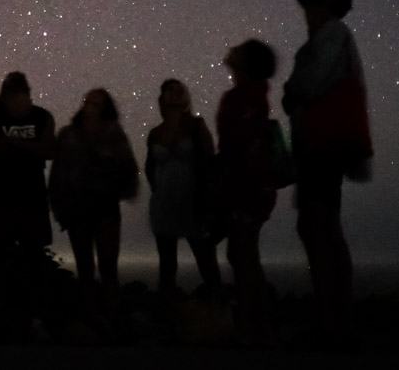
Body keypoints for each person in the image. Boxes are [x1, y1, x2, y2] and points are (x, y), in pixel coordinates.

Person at [282, 0, 373, 340]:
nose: (307, 14)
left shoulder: (332, 34)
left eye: (313, 5)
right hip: (323, 143)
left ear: (327, 5)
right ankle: (335, 318)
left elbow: (311, 83)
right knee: (321, 224)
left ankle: (331, 322)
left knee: (318, 224)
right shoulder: (330, 36)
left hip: (323, 144)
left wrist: (291, 89)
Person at [0, 72, 56, 340]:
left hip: (31, 197)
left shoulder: (42, 116)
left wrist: (10, 142)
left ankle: (33, 319)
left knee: (34, 260)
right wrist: (29, 147)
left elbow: (48, 150)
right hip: (3, 197)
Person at [215, 40, 281, 345]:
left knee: (243, 254)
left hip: (247, 186)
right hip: (249, 184)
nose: (232, 49)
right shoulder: (251, 95)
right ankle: (258, 324)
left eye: (239, 49)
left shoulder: (245, 97)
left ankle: (253, 328)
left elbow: (239, 144)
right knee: (242, 253)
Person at [49, 88, 139, 307]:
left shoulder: (114, 135)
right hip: (76, 208)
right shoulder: (68, 134)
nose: (90, 106)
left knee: (109, 269)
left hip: (105, 206)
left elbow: (128, 169)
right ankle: (92, 318)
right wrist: (61, 209)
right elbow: (57, 175)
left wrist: (118, 189)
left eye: (96, 103)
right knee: (85, 268)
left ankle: (112, 319)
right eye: (88, 101)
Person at [144, 79, 222, 303]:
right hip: (164, 205)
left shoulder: (196, 125)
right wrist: (157, 190)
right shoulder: (155, 133)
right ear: (162, 98)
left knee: (206, 261)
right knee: (167, 266)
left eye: (181, 91)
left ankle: (219, 314)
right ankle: (168, 318)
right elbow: (149, 166)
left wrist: (209, 204)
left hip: (193, 203)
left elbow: (209, 162)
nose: (176, 94)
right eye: (171, 90)